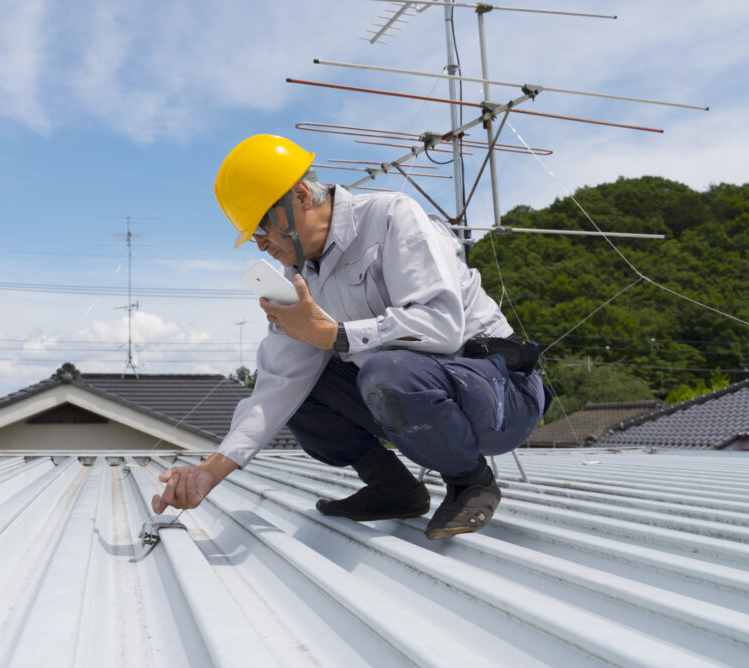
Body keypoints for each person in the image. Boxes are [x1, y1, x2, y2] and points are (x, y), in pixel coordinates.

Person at [152, 134, 547, 539]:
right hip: (422, 387)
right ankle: (394, 488)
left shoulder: (392, 217)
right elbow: (277, 386)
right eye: (252, 235)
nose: (261, 243)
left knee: (383, 369)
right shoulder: (300, 277)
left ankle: (471, 482)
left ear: (301, 196)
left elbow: (441, 325)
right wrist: (210, 471)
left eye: (263, 226)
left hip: (500, 393)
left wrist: (336, 336)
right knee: (301, 388)